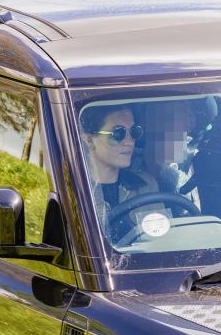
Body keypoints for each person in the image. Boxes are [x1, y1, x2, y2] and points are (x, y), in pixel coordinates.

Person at [80, 101, 194, 242]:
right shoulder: (75, 192)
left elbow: (160, 242)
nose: (129, 141)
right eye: (118, 133)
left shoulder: (146, 185)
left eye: (134, 132)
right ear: (90, 140)